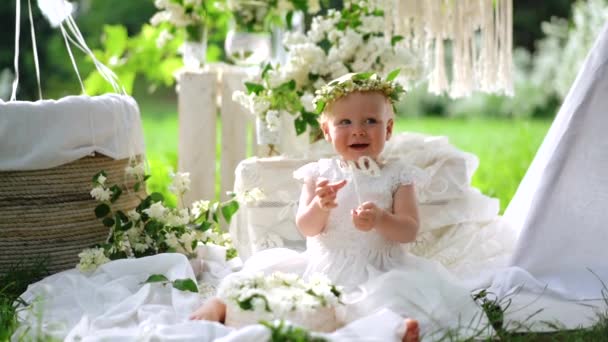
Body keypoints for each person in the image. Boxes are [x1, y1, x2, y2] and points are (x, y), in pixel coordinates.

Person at [191, 72, 486, 341]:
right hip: (321, 267)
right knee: (263, 268)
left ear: (389, 129)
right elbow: (306, 227)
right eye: (345, 122)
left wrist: (382, 219)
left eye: (370, 121)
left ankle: (392, 328)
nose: (358, 131)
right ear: (327, 131)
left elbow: (409, 230)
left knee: (387, 297)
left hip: (379, 270)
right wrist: (320, 205)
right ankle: (220, 304)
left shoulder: (398, 175)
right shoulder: (318, 174)